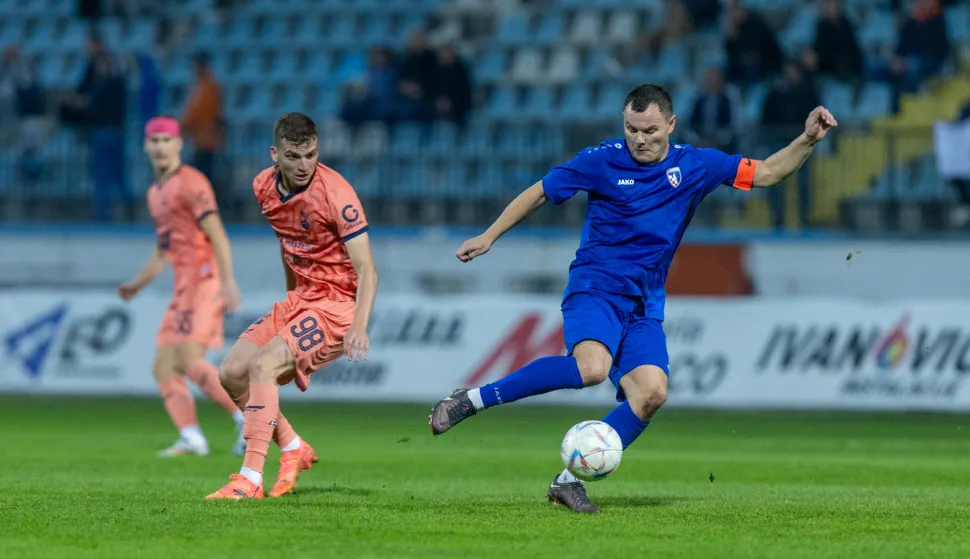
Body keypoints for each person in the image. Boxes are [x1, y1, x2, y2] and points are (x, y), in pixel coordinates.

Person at [429, 84, 837, 513]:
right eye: (631, 129)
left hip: (644, 304)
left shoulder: (696, 165)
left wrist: (807, 139)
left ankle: (568, 482)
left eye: (650, 130)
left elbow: (768, 172)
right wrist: (490, 235)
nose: (639, 139)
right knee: (592, 368)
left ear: (671, 124)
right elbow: (541, 191)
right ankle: (469, 400)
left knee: (652, 393)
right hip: (596, 287)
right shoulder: (600, 160)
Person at [205, 113, 378, 500]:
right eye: (294, 156)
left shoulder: (337, 195)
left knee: (263, 366)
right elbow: (287, 241)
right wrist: (292, 296)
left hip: (335, 306)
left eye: (311, 155)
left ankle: (249, 480)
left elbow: (368, 269)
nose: (304, 165)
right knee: (231, 372)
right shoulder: (262, 186)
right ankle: (293, 446)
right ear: (275, 154)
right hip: (301, 299)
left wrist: (359, 325)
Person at [118, 116, 245, 457]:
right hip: (183, 287)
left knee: (189, 359)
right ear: (146, 146)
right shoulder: (155, 193)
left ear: (178, 144)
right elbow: (164, 251)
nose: (160, 147)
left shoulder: (192, 182)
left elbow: (218, 235)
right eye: (154, 140)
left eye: (166, 140)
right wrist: (137, 285)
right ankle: (192, 437)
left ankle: (249, 417)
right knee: (163, 366)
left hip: (205, 280)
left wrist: (228, 281)